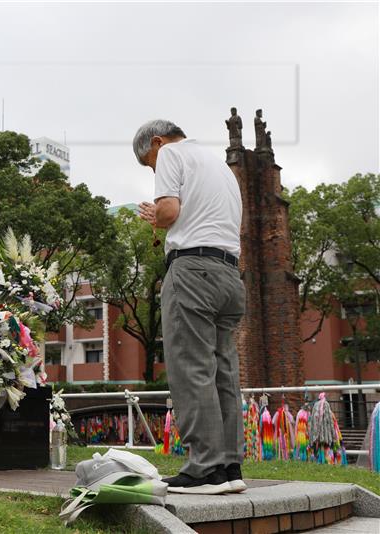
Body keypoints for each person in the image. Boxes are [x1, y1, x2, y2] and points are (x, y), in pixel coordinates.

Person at [132, 119, 246, 495]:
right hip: (230, 274)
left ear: (158, 142)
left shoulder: (170, 153)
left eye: (149, 162)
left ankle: (205, 470)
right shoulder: (218, 165)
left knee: (190, 366)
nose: (154, 168)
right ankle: (230, 468)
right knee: (223, 372)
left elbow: (169, 211)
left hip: (193, 270)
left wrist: (157, 216)